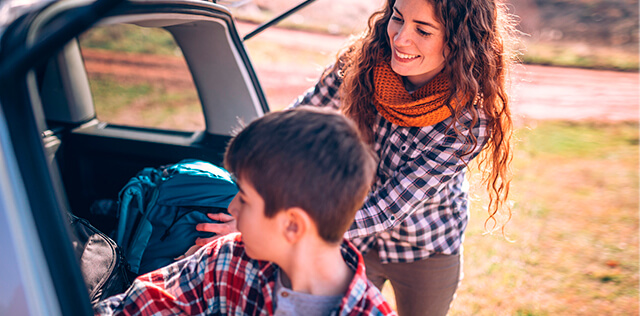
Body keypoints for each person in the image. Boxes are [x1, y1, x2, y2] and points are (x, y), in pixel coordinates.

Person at [197, 0, 517, 315]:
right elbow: (296, 125)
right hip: (349, 238)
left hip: (426, 245)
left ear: (459, 43)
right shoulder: (360, 63)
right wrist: (251, 195)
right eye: (397, 18)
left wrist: (271, 223)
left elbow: (389, 207)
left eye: (423, 30)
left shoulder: (471, 119)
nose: (401, 38)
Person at [93, 107, 395, 316]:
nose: (231, 206)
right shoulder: (228, 257)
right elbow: (136, 306)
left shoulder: (369, 310)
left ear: (292, 226)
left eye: (245, 199)